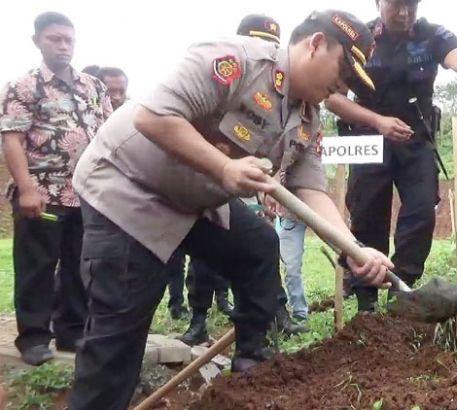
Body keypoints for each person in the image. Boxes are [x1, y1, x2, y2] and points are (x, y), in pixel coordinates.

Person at [68, 10, 391, 409]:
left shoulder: (308, 115)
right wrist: (223, 167)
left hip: (193, 201)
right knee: (120, 334)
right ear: (316, 44)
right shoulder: (236, 60)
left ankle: (251, 382)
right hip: (128, 191)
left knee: (257, 247)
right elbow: (152, 117)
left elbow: (309, 188)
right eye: (343, 71)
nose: (343, 86)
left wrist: (354, 249)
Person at [326, 0, 457, 312]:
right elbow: (333, 100)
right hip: (369, 138)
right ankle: (366, 301)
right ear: (379, 3)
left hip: (416, 140)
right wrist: (378, 122)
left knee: (422, 210)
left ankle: (402, 291)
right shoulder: (360, 38)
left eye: (411, 5)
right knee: (367, 214)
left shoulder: (432, 35)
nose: (404, 13)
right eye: (396, 5)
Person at [177, 13, 303, 347]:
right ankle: (198, 319)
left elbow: (285, 152)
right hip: (196, 191)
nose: (267, 50)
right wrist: (222, 168)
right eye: (260, 41)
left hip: (249, 195)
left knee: (261, 249)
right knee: (203, 263)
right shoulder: (227, 79)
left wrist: (273, 188)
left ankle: (271, 323)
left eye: (273, 45)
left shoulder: (283, 100)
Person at [0, 12, 112, 365]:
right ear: (37, 41)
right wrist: (27, 189)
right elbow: (12, 140)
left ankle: (72, 332)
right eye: (55, 39)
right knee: (37, 265)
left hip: (86, 195)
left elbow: (109, 135)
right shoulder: (24, 86)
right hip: (43, 194)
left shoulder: (93, 86)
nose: (63, 46)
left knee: (81, 265)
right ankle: (33, 338)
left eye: (68, 40)